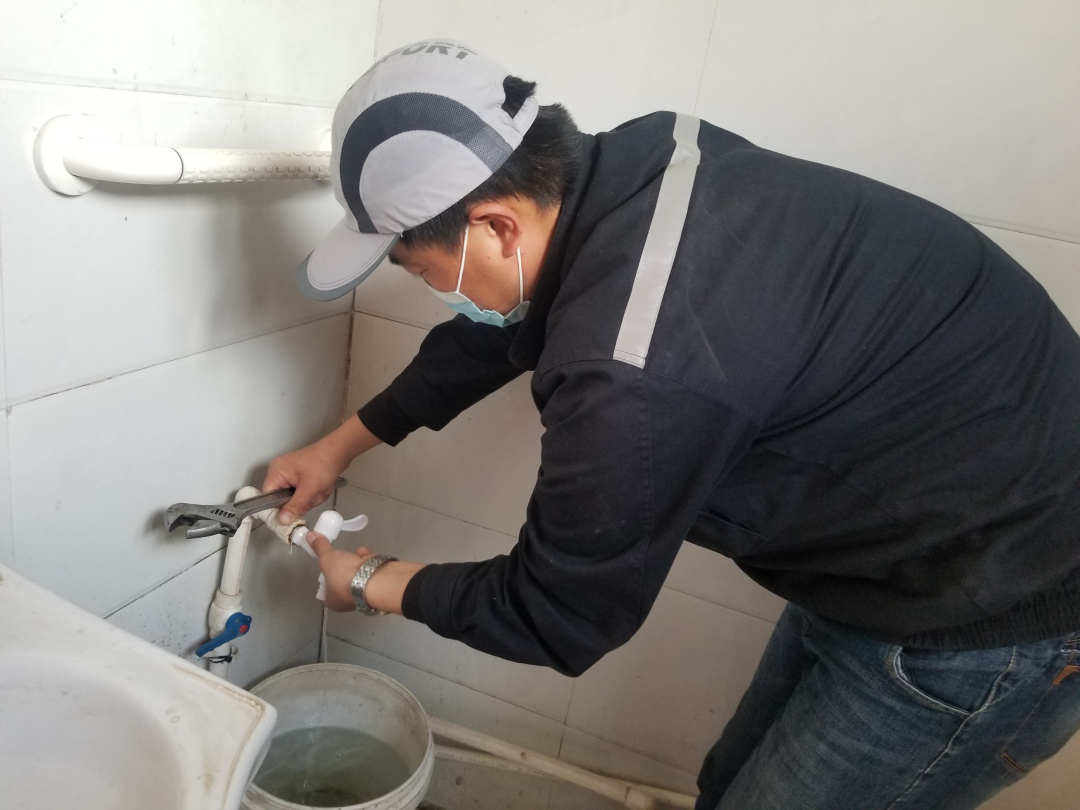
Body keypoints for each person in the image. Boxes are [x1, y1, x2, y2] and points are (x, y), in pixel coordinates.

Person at [263, 39, 1080, 809]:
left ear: (498, 226)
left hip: (995, 609)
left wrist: (368, 581)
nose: (433, 290)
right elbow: (502, 328)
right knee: (730, 786)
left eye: (421, 270)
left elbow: (558, 612)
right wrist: (338, 447)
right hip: (915, 540)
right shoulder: (642, 163)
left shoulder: (632, 371)